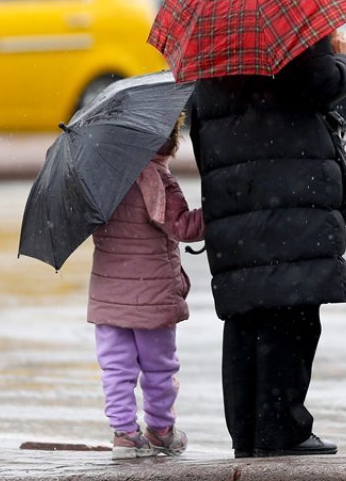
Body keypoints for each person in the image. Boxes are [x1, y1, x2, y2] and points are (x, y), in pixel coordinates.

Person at [188, 31, 346, 458]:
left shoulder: (211, 34)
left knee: (247, 314)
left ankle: (248, 432)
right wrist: (345, 62)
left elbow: (200, 120)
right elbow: (317, 83)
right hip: (291, 186)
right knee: (293, 309)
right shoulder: (290, 22)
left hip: (236, 192)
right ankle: (282, 429)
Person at [87, 117, 203, 460]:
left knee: (116, 367)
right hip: (152, 297)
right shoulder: (158, 181)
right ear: (168, 144)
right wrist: (217, 215)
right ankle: (161, 430)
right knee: (158, 366)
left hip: (108, 298)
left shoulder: (100, 180)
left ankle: (124, 434)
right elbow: (182, 226)